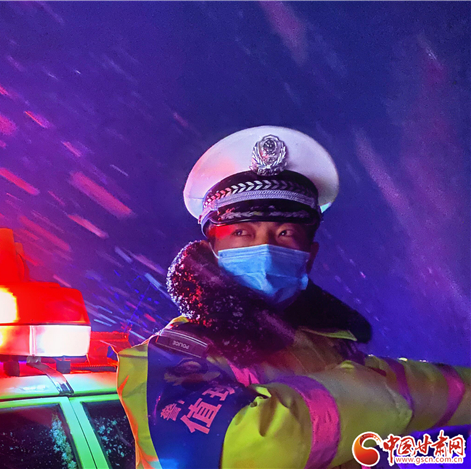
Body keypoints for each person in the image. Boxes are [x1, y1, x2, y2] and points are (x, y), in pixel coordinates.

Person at [116, 126, 470, 469]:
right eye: (242, 232)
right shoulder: (164, 357)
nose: (265, 248)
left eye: (285, 233)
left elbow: (435, 392)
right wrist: (382, 390)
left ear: (309, 255)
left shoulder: (328, 342)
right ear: (213, 250)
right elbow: (240, 445)